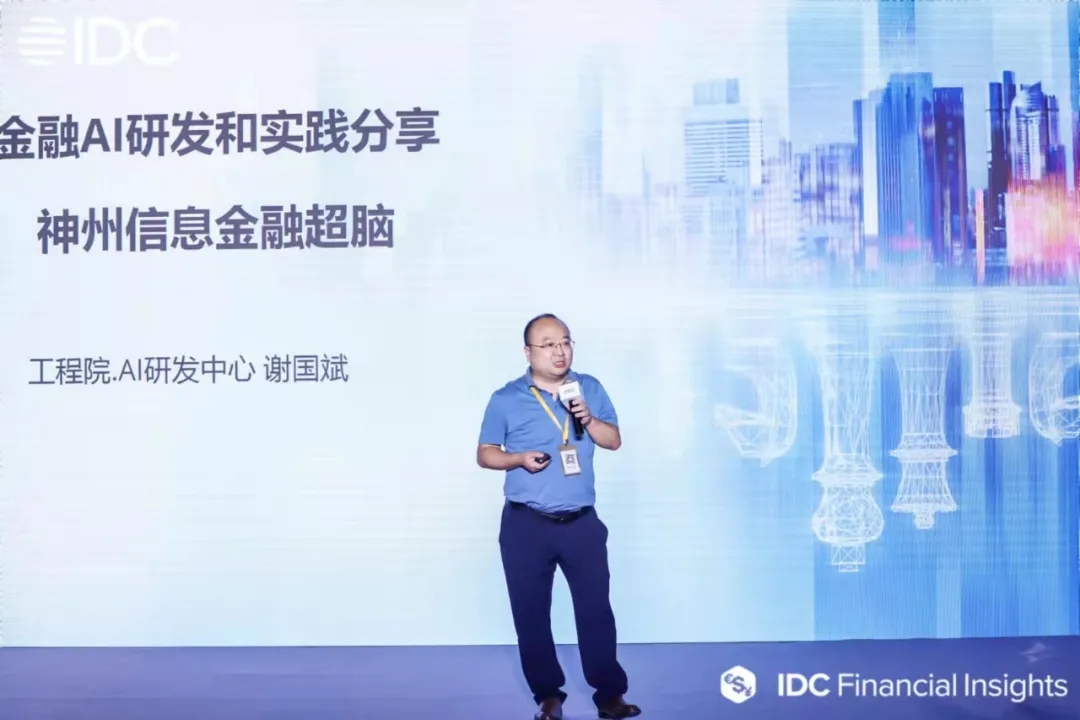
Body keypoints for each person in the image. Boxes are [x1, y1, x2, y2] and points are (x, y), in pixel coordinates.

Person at [476, 313, 642, 720]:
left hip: (581, 523)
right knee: (531, 613)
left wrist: (588, 418)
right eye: (548, 344)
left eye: (565, 342)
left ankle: (610, 696)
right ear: (528, 352)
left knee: (596, 611)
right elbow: (485, 453)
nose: (559, 351)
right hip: (526, 524)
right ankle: (548, 694)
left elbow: (613, 440)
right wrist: (517, 459)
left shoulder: (589, 388)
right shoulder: (505, 398)